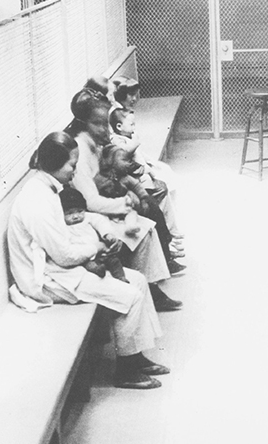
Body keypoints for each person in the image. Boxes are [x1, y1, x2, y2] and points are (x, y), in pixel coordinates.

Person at [7, 132, 170, 389]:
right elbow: (64, 255)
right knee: (130, 295)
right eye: (72, 165)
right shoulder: (37, 201)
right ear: (55, 164)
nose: (74, 171)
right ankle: (126, 371)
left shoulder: (47, 188)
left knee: (137, 280)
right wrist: (95, 247)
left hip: (59, 267)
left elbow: (64, 248)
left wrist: (94, 249)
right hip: (46, 279)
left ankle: (136, 356)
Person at [65, 88, 184, 310]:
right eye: (99, 124)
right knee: (143, 229)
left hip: (105, 209)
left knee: (148, 220)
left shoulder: (95, 143)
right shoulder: (79, 150)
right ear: (84, 124)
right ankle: (149, 291)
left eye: (106, 124)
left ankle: (152, 289)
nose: (106, 130)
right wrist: (125, 203)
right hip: (87, 221)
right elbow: (90, 202)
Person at [109, 106, 184, 251]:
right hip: (134, 180)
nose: (134, 127)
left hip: (142, 175)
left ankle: (172, 231)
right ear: (119, 126)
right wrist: (135, 144)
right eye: (131, 124)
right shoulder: (117, 139)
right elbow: (122, 156)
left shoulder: (128, 136)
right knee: (160, 190)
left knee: (164, 184)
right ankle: (170, 235)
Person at [60, 186, 128, 282]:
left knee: (114, 261)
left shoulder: (88, 217)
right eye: (69, 213)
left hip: (100, 252)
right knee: (88, 265)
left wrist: (107, 234)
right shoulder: (62, 226)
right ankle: (98, 270)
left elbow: (100, 222)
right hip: (84, 255)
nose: (76, 216)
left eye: (80, 211)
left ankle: (121, 277)